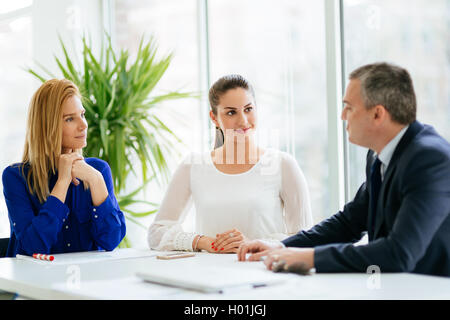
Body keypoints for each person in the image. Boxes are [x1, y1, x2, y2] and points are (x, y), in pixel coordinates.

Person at [237, 62, 450, 277]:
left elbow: (398, 253)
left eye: (349, 107)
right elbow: (349, 222)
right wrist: (282, 246)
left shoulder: (429, 160)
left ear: (377, 114)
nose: (342, 116)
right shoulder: (378, 154)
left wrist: (312, 258)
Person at [147, 74, 313, 253]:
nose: (243, 121)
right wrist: (204, 242)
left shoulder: (283, 164)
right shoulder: (193, 165)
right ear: (214, 118)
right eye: (231, 112)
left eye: (248, 109)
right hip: (209, 276)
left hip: (264, 274)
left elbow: (305, 238)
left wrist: (254, 244)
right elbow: (157, 233)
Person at [2, 79, 126, 257]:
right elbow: (34, 247)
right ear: (47, 126)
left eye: (82, 114)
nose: (83, 125)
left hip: (84, 281)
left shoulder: (97, 171)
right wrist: (62, 182)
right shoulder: (16, 177)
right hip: (33, 281)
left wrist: (96, 180)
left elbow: (111, 240)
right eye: (70, 119)